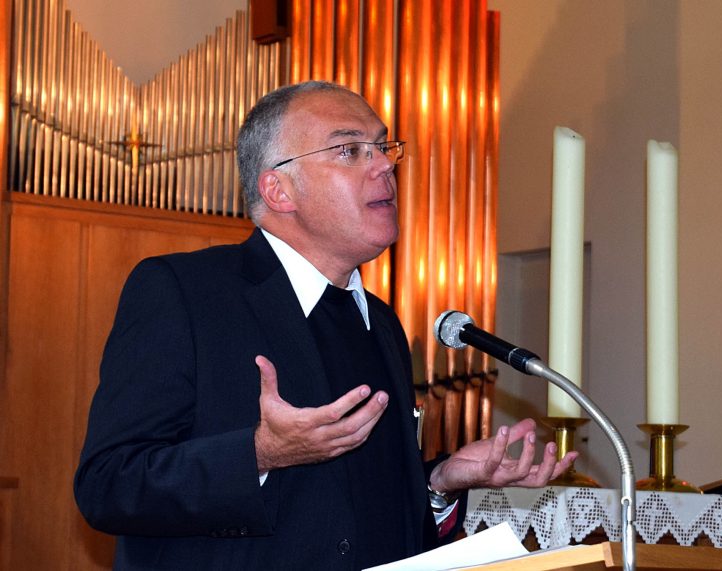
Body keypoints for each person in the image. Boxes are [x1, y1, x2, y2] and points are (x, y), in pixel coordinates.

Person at [74, 80, 577, 571]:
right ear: (279, 189)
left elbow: (353, 513)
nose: (383, 164)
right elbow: (107, 486)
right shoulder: (184, 292)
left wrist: (439, 482)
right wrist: (259, 454)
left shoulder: (381, 324)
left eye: (381, 147)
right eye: (349, 151)